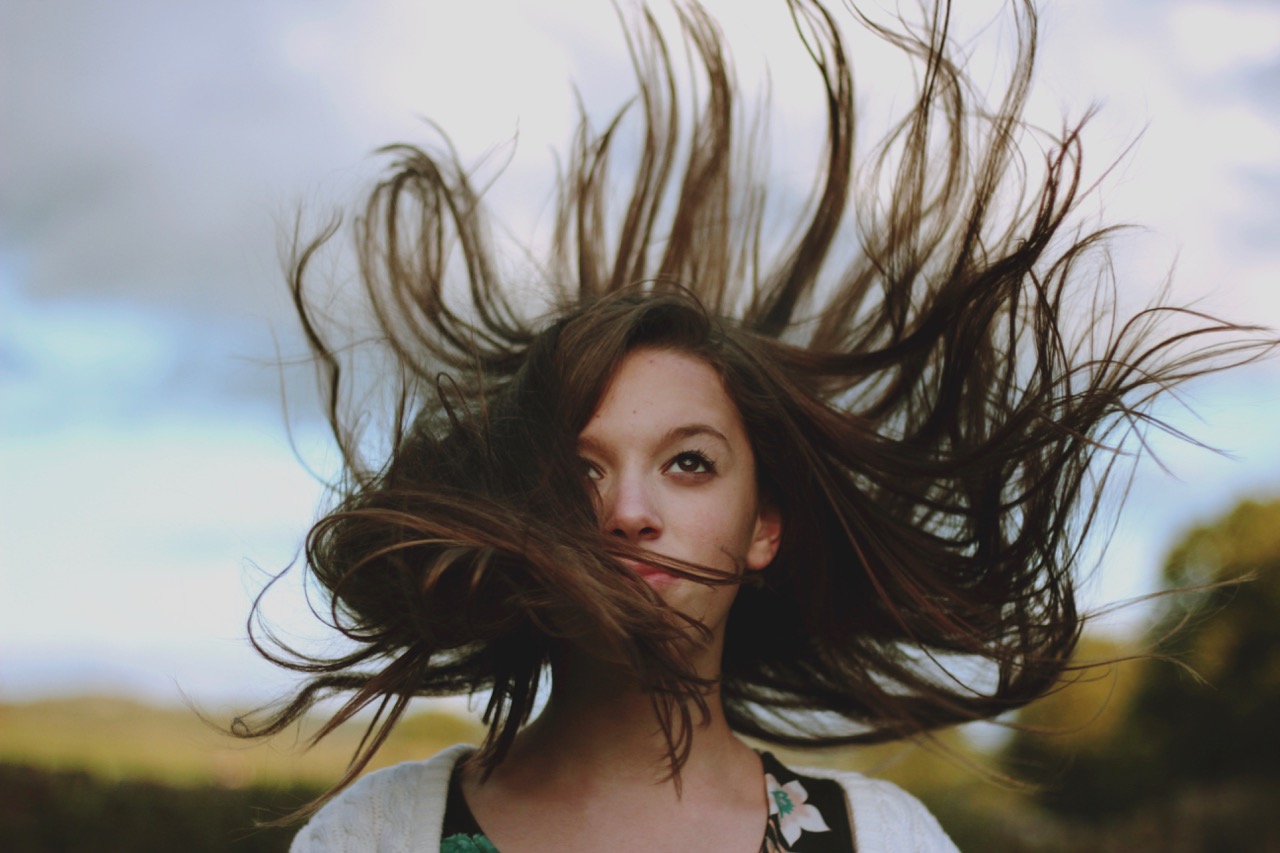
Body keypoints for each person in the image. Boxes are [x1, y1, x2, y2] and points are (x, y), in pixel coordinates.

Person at [236, 1, 1268, 850]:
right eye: (580, 469)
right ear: (523, 508)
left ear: (762, 526)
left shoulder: (882, 840)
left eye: (687, 464)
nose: (629, 511)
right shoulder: (378, 835)